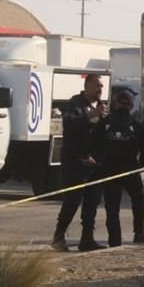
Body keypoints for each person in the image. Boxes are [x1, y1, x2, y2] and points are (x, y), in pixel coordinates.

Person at [51, 73, 107, 252]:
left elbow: (101, 134)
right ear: (87, 86)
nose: (100, 89)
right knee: (72, 201)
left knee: (92, 202)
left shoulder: (101, 107)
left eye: (101, 86)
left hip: (94, 163)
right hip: (75, 162)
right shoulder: (74, 104)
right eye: (97, 86)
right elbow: (71, 125)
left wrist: (99, 158)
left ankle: (87, 239)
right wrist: (91, 116)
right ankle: (58, 237)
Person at [92, 89, 144, 247]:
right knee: (138, 200)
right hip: (131, 169)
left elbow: (94, 146)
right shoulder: (137, 126)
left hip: (109, 170)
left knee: (112, 206)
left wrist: (99, 163)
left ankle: (114, 240)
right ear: (131, 106)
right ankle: (139, 233)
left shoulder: (104, 124)